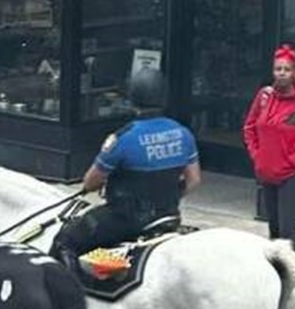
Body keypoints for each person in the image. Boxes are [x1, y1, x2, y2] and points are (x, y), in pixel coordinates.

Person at [51, 66, 200, 273]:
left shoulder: (123, 138)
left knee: (65, 240)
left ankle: (71, 296)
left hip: (125, 219)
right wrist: (170, 196)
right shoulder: (183, 133)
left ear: (132, 99)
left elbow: (90, 183)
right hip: (168, 215)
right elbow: (193, 180)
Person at [242, 43, 295, 283]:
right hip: (266, 171)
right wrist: (258, 156)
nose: (281, 73)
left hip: (291, 174)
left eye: (286, 69)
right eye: (278, 69)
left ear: (294, 72)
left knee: (288, 231)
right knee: (274, 227)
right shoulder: (264, 96)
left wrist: (291, 161)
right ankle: (276, 274)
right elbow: (249, 127)